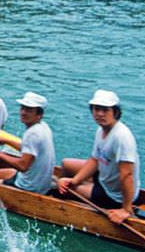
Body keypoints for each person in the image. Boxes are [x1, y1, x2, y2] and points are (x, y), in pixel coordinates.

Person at [58, 90, 140, 223]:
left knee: (67, 190)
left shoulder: (121, 137)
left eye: (105, 110)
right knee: (66, 163)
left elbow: (127, 175)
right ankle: (61, 187)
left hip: (114, 196)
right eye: (97, 109)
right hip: (104, 178)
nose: (100, 114)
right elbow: (95, 160)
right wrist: (75, 180)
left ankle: (57, 197)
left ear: (115, 112)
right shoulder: (101, 130)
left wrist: (126, 209)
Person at [0, 92, 55, 193]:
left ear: (39, 114)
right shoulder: (43, 126)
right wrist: (6, 141)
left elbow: (22, 166)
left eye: (29, 110)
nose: (23, 112)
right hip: (35, 180)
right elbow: (29, 149)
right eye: (22, 108)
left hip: (28, 187)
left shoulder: (33, 134)